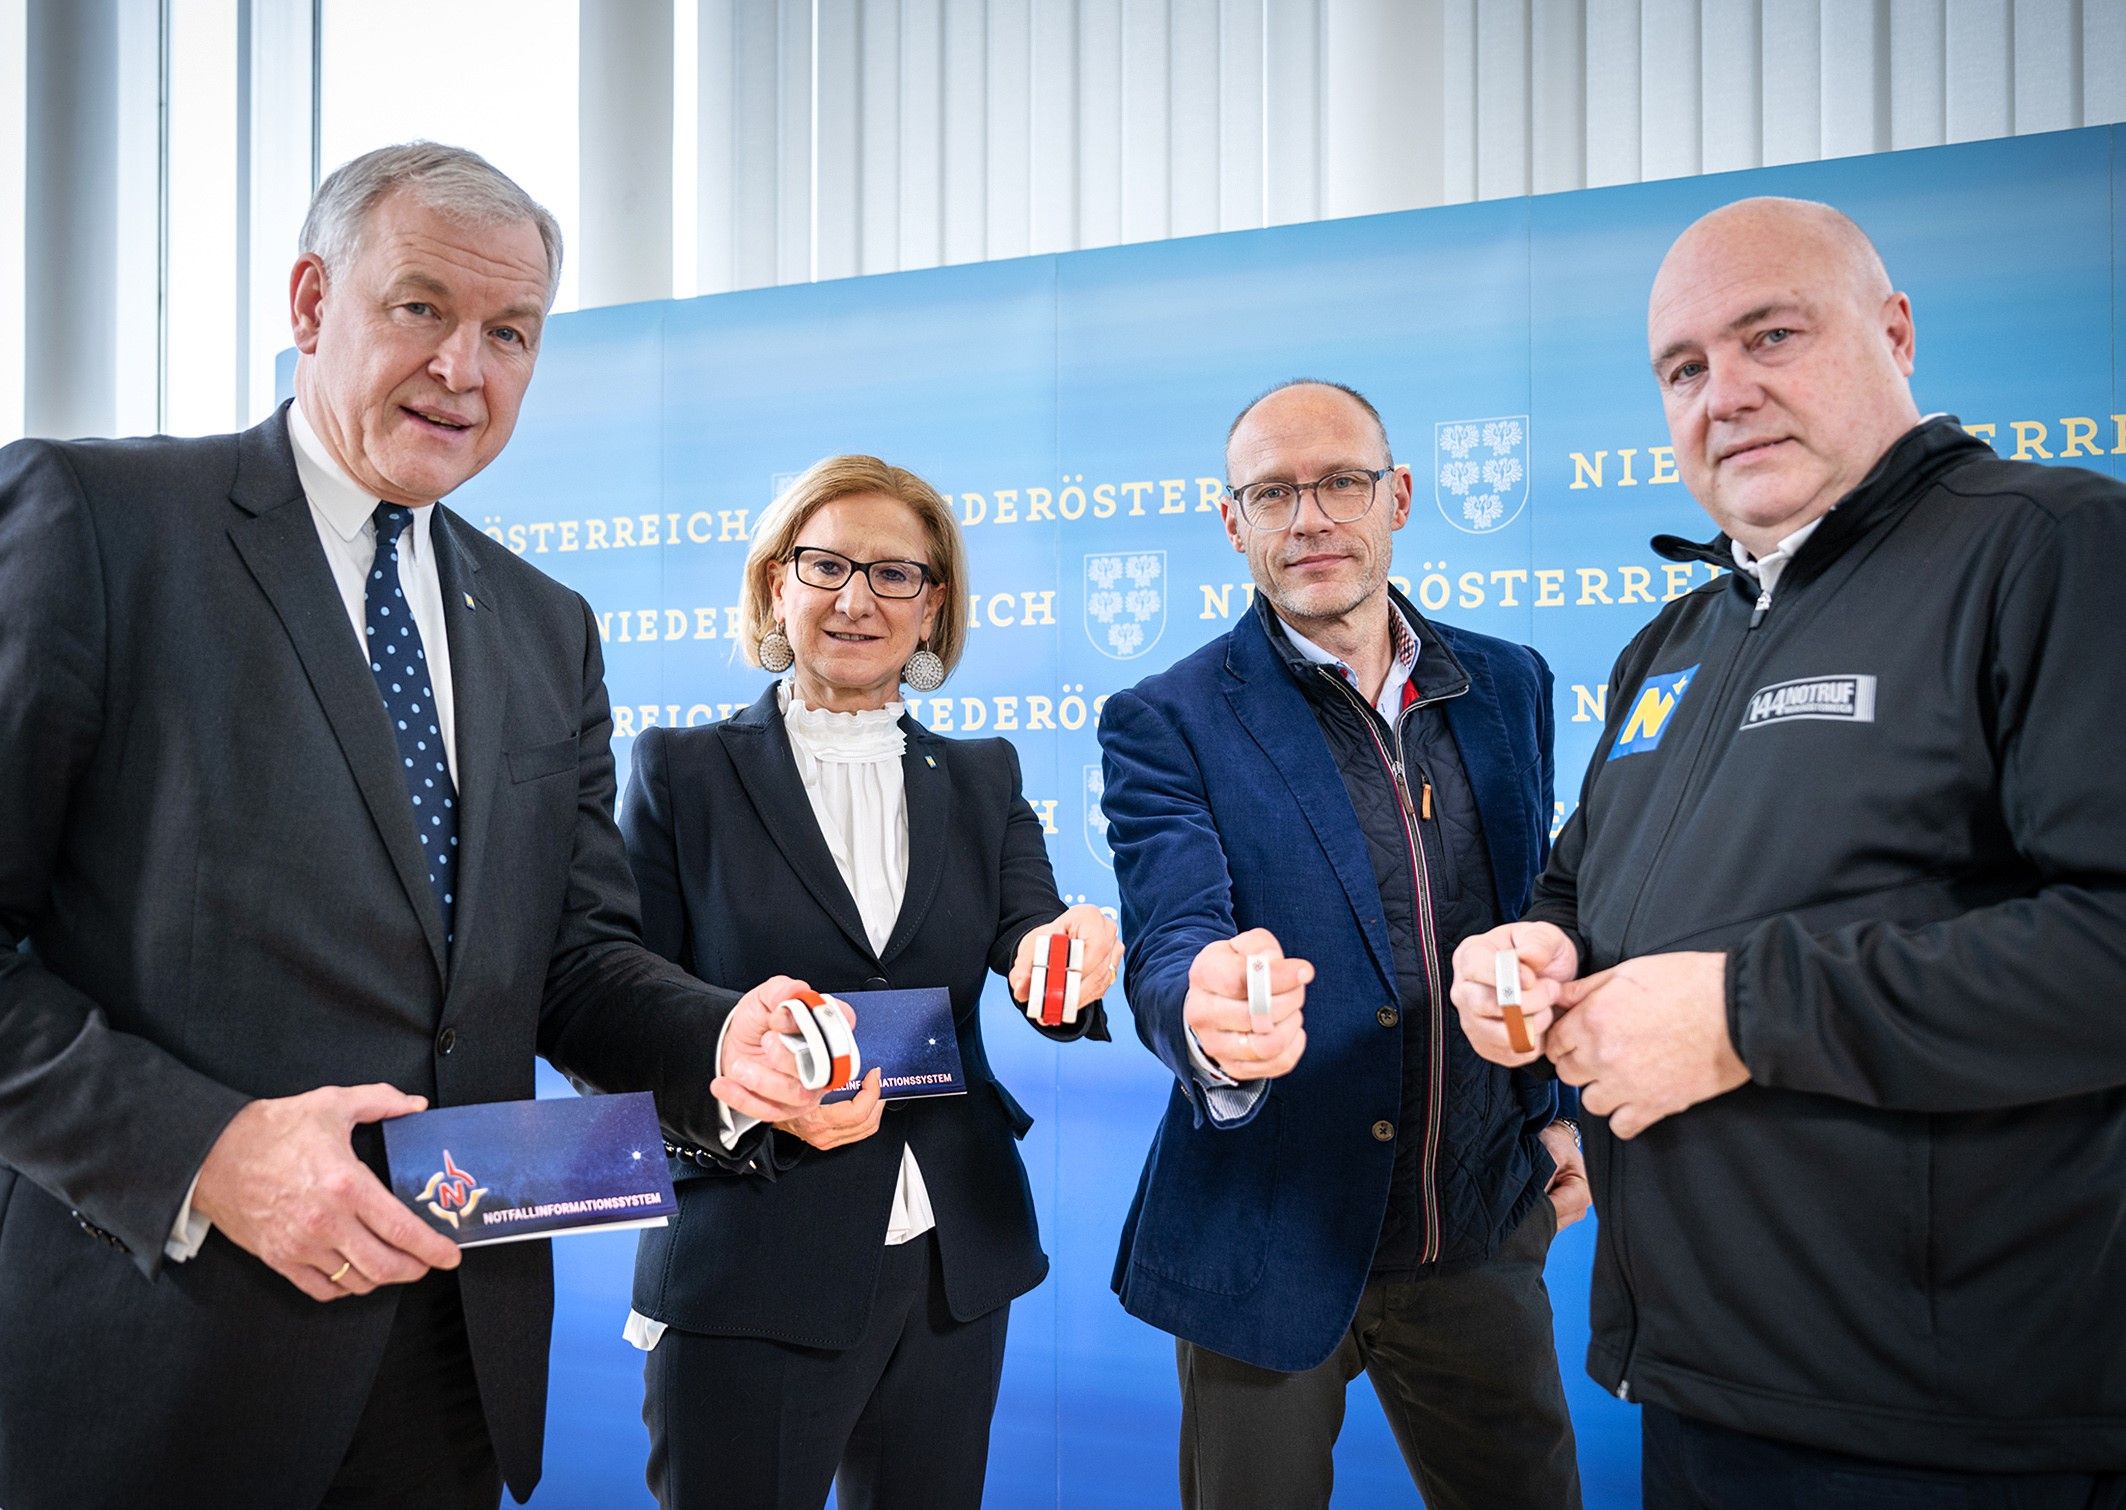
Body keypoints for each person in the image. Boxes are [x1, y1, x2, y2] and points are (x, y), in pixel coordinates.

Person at [0, 142, 830, 1510]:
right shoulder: (97, 523)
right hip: (158, 1363)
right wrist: (202, 1150)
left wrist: (722, 1041)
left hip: (449, 1363)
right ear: (311, 300)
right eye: (420, 307)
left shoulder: (546, 625)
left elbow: (568, 961)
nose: (463, 368)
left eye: (510, 332)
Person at [1449, 197, 2126, 1506]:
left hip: (1951, 1427)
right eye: (1683, 368)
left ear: (1894, 333)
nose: (1726, 394)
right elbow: (1579, 888)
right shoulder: (1672, 644)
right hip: (1698, 1387)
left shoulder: (2051, 549)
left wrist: (1740, 1015)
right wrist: (1527, 951)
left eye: (1770, 335)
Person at [1096, 380, 1586, 1510]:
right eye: (1272, 493)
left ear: (1397, 496)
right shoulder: (1164, 717)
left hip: (1477, 1223)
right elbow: (1172, 935)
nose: (1308, 518)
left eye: (1339, 484)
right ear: (1233, 522)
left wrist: (1557, 1111)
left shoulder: (1509, 684)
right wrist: (1205, 1015)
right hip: (1267, 1236)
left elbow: (1539, 918)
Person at [616, 453, 1120, 1510]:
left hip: (954, 1259)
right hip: (750, 1252)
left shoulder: (984, 775)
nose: (857, 599)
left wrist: (1068, 960)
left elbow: (1034, 947)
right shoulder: (679, 771)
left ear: (932, 607)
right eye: (826, 565)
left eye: (895, 574)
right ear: (776, 586)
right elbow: (620, 1010)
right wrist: (747, 1099)